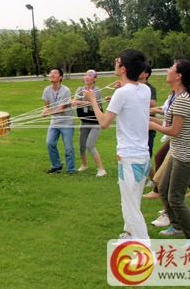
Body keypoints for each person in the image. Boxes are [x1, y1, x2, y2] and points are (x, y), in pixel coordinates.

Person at [84, 49, 151, 240]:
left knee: (132, 207)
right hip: (142, 157)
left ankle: (145, 248)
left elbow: (104, 123)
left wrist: (93, 101)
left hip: (130, 158)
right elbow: (132, 99)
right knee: (131, 201)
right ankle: (129, 235)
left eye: (117, 61)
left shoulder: (122, 93)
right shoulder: (144, 89)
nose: (115, 63)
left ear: (123, 68)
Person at [149, 59, 190, 248]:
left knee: (175, 197)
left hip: (187, 155)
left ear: (179, 75)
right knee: (164, 189)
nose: (168, 70)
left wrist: (152, 125)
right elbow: (168, 124)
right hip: (177, 152)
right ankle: (177, 226)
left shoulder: (183, 99)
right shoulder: (177, 96)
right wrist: (146, 118)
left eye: (172, 68)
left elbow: (174, 131)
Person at [70, 69, 107, 177]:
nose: (87, 77)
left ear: (95, 78)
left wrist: (77, 102)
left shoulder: (97, 90)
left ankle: (101, 169)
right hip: (84, 121)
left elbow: (91, 102)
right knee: (82, 146)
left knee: (90, 145)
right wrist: (73, 101)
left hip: (95, 122)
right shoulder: (80, 89)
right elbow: (75, 99)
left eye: (90, 75)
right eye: (85, 75)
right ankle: (84, 165)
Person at [41, 68, 76, 174]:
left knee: (68, 147)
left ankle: (71, 169)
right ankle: (56, 166)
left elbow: (61, 109)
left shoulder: (66, 90)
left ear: (60, 77)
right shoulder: (47, 90)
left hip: (67, 122)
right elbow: (46, 105)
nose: (52, 75)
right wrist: (45, 110)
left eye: (55, 73)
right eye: (51, 73)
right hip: (54, 122)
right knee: (50, 143)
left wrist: (48, 113)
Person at [139, 65, 157, 185]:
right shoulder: (135, 86)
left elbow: (153, 103)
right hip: (136, 125)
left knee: (146, 155)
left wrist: (137, 100)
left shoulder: (150, 88)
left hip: (148, 126)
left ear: (146, 74)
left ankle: (153, 179)